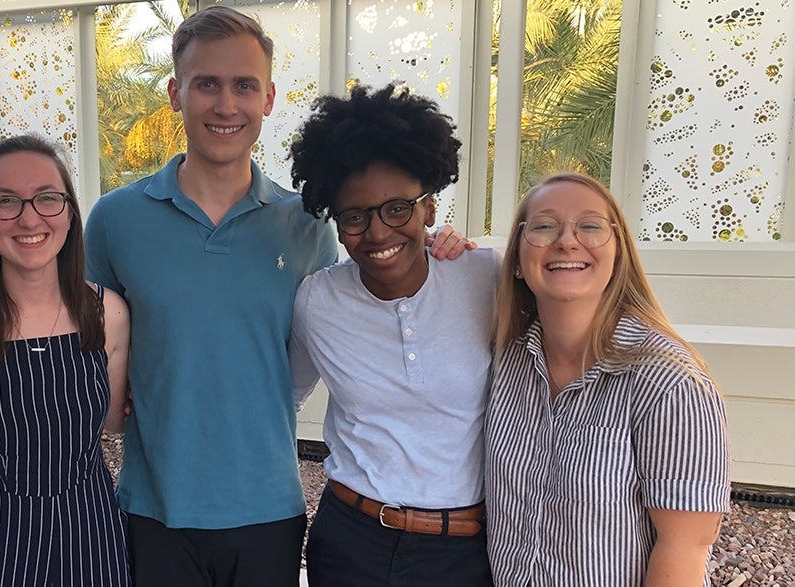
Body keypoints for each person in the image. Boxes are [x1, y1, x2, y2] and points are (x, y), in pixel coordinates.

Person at [83, 5, 338, 586]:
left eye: (244, 86)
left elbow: (330, 337)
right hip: (152, 510)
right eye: (207, 85)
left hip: (269, 510)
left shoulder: (305, 224)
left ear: (268, 97)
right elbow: (92, 347)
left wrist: (444, 248)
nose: (226, 105)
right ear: (176, 93)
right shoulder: (116, 220)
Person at [287, 83, 496, 586]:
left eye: (398, 208)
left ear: (429, 206)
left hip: (466, 551)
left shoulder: (488, 278)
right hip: (352, 542)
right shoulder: (317, 301)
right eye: (354, 217)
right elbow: (284, 398)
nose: (378, 233)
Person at [486, 172, 731, 586]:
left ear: (618, 255)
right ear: (515, 264)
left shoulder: (669, 381)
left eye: (590, 226)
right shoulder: (505, 363)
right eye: (544, 226)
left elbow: (684, 548)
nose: (567, 240)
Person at [0, 135, 130, 586]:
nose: (29, 217)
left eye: (47, 198)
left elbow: (114, 421)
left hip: (91, 533)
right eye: (5, 202)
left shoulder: (107, 313)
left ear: (70, 211)